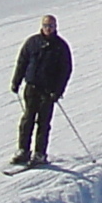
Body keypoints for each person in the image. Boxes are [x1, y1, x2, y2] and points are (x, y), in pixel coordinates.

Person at [9, 15, 72, 167]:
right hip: (31, 88)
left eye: (51, 26)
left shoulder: (60, 46)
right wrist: (16, 81)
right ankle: (23, 150)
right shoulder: (33, 42)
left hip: (48, 91)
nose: (48, 28)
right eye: (46, 25)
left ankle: (40, 153)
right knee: (27, 119)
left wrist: (58, 91)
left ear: (55, 27)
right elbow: (22, 61)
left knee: (43, 123)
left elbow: (65, 70)